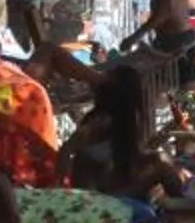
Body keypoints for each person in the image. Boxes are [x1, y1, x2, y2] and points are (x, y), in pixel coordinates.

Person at [66, 64, 184, 202]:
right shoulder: (101, 121)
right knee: (162, 164)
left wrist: (170, 128)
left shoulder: (122, 121)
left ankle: (182, 205)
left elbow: (141, 150)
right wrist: (64, 187)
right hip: (98, 199)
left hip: (109, 191)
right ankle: (184, 208)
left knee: (162, 164)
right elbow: (66, 150)